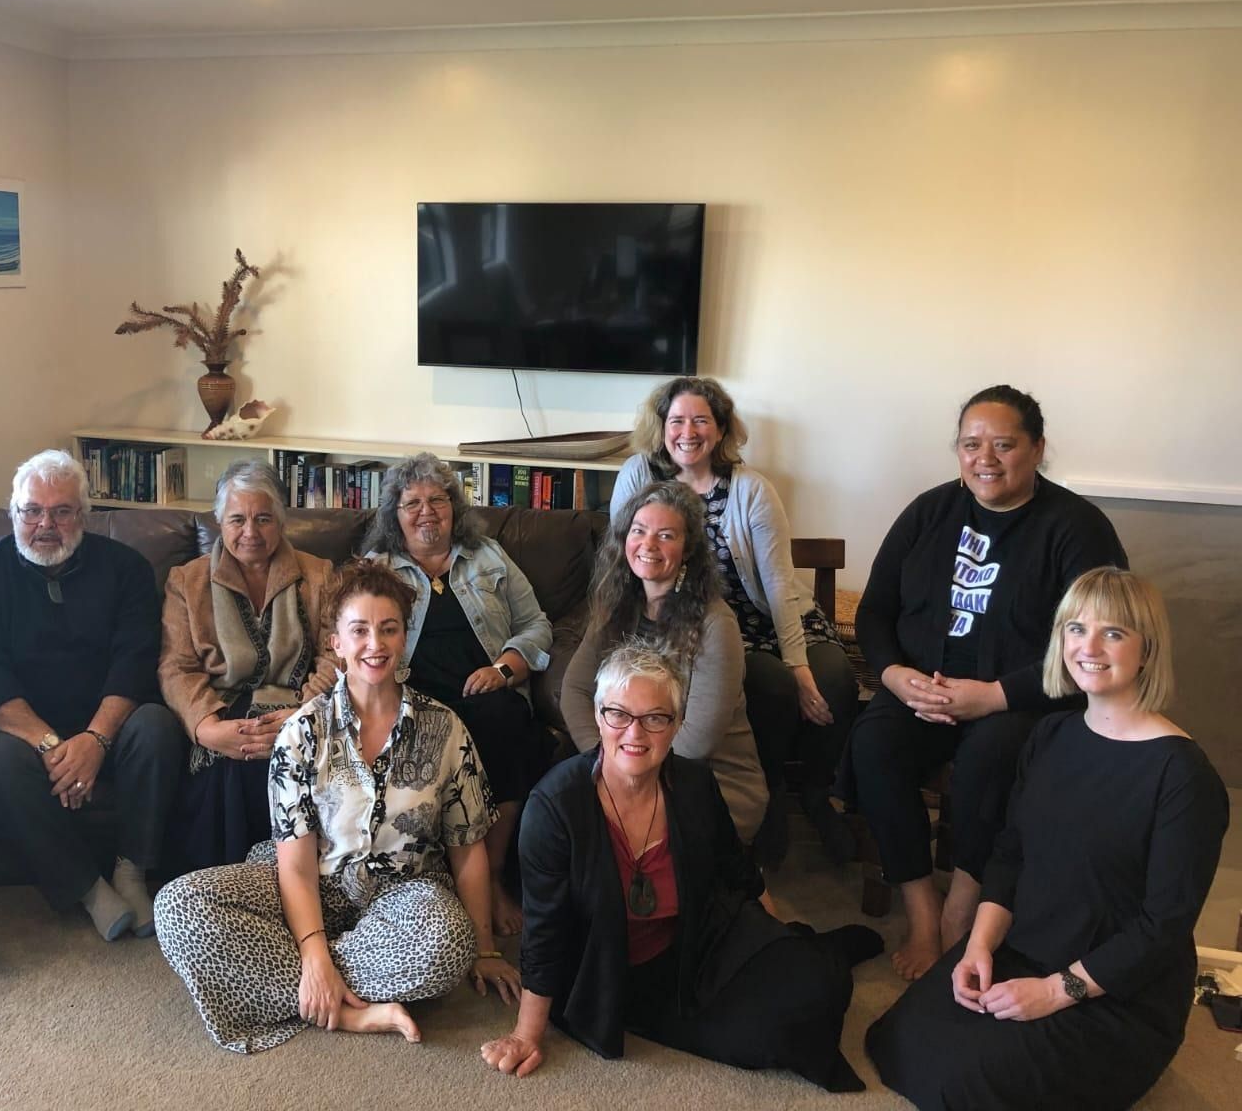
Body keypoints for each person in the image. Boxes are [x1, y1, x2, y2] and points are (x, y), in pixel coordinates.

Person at [867, 568, 1228, 1109]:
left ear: (1147, 650)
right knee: (898, 1038)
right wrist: (979, 946)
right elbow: (1011, 853)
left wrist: (1057, 991)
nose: (1089, 646)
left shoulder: (1184, 774)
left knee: (971, 1084)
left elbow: (1164, 925)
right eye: (1076, 629)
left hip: (1116, 988)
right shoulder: (1051, 735)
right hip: (1028, 948)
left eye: (1114, 633)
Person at [154, 559, 522, 1053]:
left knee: (447, 943)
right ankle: (351, 1011)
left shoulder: (446, 728)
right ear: (338, 645)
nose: (375, 644)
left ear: (403, 638)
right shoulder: (302, 731)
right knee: (178, 906)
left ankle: (303, 988)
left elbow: (467, 849)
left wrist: (486, 948)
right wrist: (313, 955)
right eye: (360, 630)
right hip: (311, 884)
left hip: (404, 897)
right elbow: (296, 863)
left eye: (388, 629)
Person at [483, 643, 881, 1089]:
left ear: (675, 725)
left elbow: (737, 870)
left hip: (699, 940)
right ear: (598, 716)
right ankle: (816, 953)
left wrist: (780, 939)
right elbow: (544, 931)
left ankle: (815, 949)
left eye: (655, 717)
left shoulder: (693, 782)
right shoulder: (553, 808)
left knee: (811, 982)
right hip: (611, 969)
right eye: (619, 714)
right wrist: (526, 1033)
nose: (635, 733)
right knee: (774, 1036)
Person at [843, 385, 1128, 980]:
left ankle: (960, 912)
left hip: (1022, 700)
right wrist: (897, 676)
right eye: (972, 444)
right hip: (922, 689)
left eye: (1004, 444)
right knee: (874, 744)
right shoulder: (928, 511)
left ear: (1038, 448)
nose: (986, 459)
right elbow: (873, 613)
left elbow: (1093, 647)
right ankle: (921, 911)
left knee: (992, 759)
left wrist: (993, 695)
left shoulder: (1078, 527)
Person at [611, 376, 857, 867]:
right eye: (676, 420)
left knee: (834, 679)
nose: (687, 431)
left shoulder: (750, 489)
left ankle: (817, 789)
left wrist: (800, 664)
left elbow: (780, 583)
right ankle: (770, 794)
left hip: (772, 617)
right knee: (767, 685)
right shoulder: (640, 473)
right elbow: (622, 560)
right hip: (706, 627)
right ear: (661, 428)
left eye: (701, 419)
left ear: (721, 429)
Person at [0, 449, 180, 941]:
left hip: (111, 723)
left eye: (61, 511)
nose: (45, 524)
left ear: (84, 516)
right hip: (28, 735)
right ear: (14, 515)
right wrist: (55, 747)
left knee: (158, 727)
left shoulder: (127, 569)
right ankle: (88, 887)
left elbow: (134, 660)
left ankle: (130, 870)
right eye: (32, 511)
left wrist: (95, 740)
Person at [363, 452, 553, 936]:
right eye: (412, 503)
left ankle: (490, 876)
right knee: (426, 729)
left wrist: (504, 669)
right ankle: (440, 881)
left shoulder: (488, 555)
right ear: (395, 514)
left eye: (437, 499)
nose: (427, 511)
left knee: (507, 723)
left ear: (454, 507)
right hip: (414, 698)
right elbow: (355, 638)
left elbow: (536, 624)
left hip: (487, 694)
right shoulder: (378, 568)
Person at [562, 480, 768, 844]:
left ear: (687, 550)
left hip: (708, 782)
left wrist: (627, 772)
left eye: (666, 535)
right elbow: (575, 690)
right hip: (622, 768)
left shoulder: (715, 624)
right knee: (558, 817)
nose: (649, 545)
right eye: (639, 531)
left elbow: (697, 742)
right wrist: (606, 761)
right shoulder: (615, 608)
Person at [158, 460, 338, 873]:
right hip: (221, 708)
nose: (250, 532)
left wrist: (303, 716)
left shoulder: (319, 574)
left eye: (263, 519)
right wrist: (207, 727)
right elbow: (177, 667)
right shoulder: (187, 581)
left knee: (281, 759)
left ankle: (288, 889)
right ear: (220, 521)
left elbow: (335, 655)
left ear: (282, 521)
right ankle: (222, 891)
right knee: (232, 763)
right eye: (237, 519)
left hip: (295, 709)